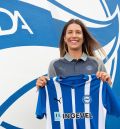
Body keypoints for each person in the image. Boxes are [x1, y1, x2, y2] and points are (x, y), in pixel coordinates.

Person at [36, 19, 112, 87]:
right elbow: (51, 94)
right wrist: (42, 85)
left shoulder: (97, 63)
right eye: (70, 32)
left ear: (83, 38)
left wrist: (107, 82)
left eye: (78, 32)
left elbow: (105, 93)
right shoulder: (54, 65)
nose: (74, 35)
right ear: (65, 38)